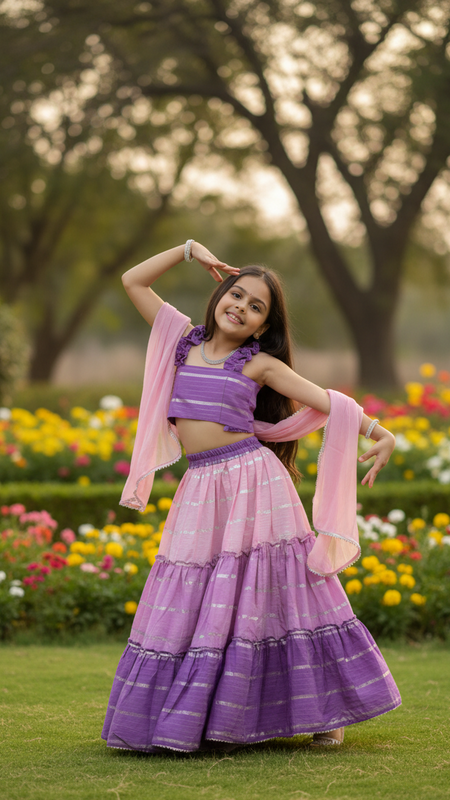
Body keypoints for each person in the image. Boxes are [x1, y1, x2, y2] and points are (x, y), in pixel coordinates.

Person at [101, 240, 401, 754]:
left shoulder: (258, 364)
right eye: (236, 295)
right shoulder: (179, 339)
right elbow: (133, 280)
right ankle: (207, 717)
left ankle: (329, 716)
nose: (240, 307)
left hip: (253, 481)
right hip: (201, 488)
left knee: (290, 588)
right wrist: (189, 250)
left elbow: (327, 401)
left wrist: (380, 433)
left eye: (255, 306)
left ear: (263, 326)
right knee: (198, 595)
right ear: (220, 295)